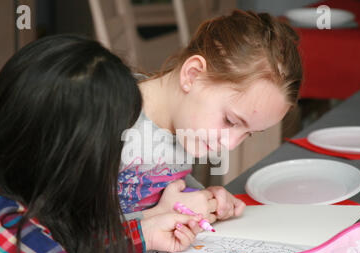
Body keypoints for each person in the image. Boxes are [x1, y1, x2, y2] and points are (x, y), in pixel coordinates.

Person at [0, 35, 213, 253]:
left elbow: (56, 248)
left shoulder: (17, 184)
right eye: (111, 145)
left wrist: (142, 234)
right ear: (66, 148)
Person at [118, 10, 303, 222]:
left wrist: (202, 196)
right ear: (193, 74)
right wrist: (157, 217)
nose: (231, 144)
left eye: (248, 133)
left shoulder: (183, 126)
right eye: (230, 121)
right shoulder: (109, 119)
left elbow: (160, 183)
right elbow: (77, 239)